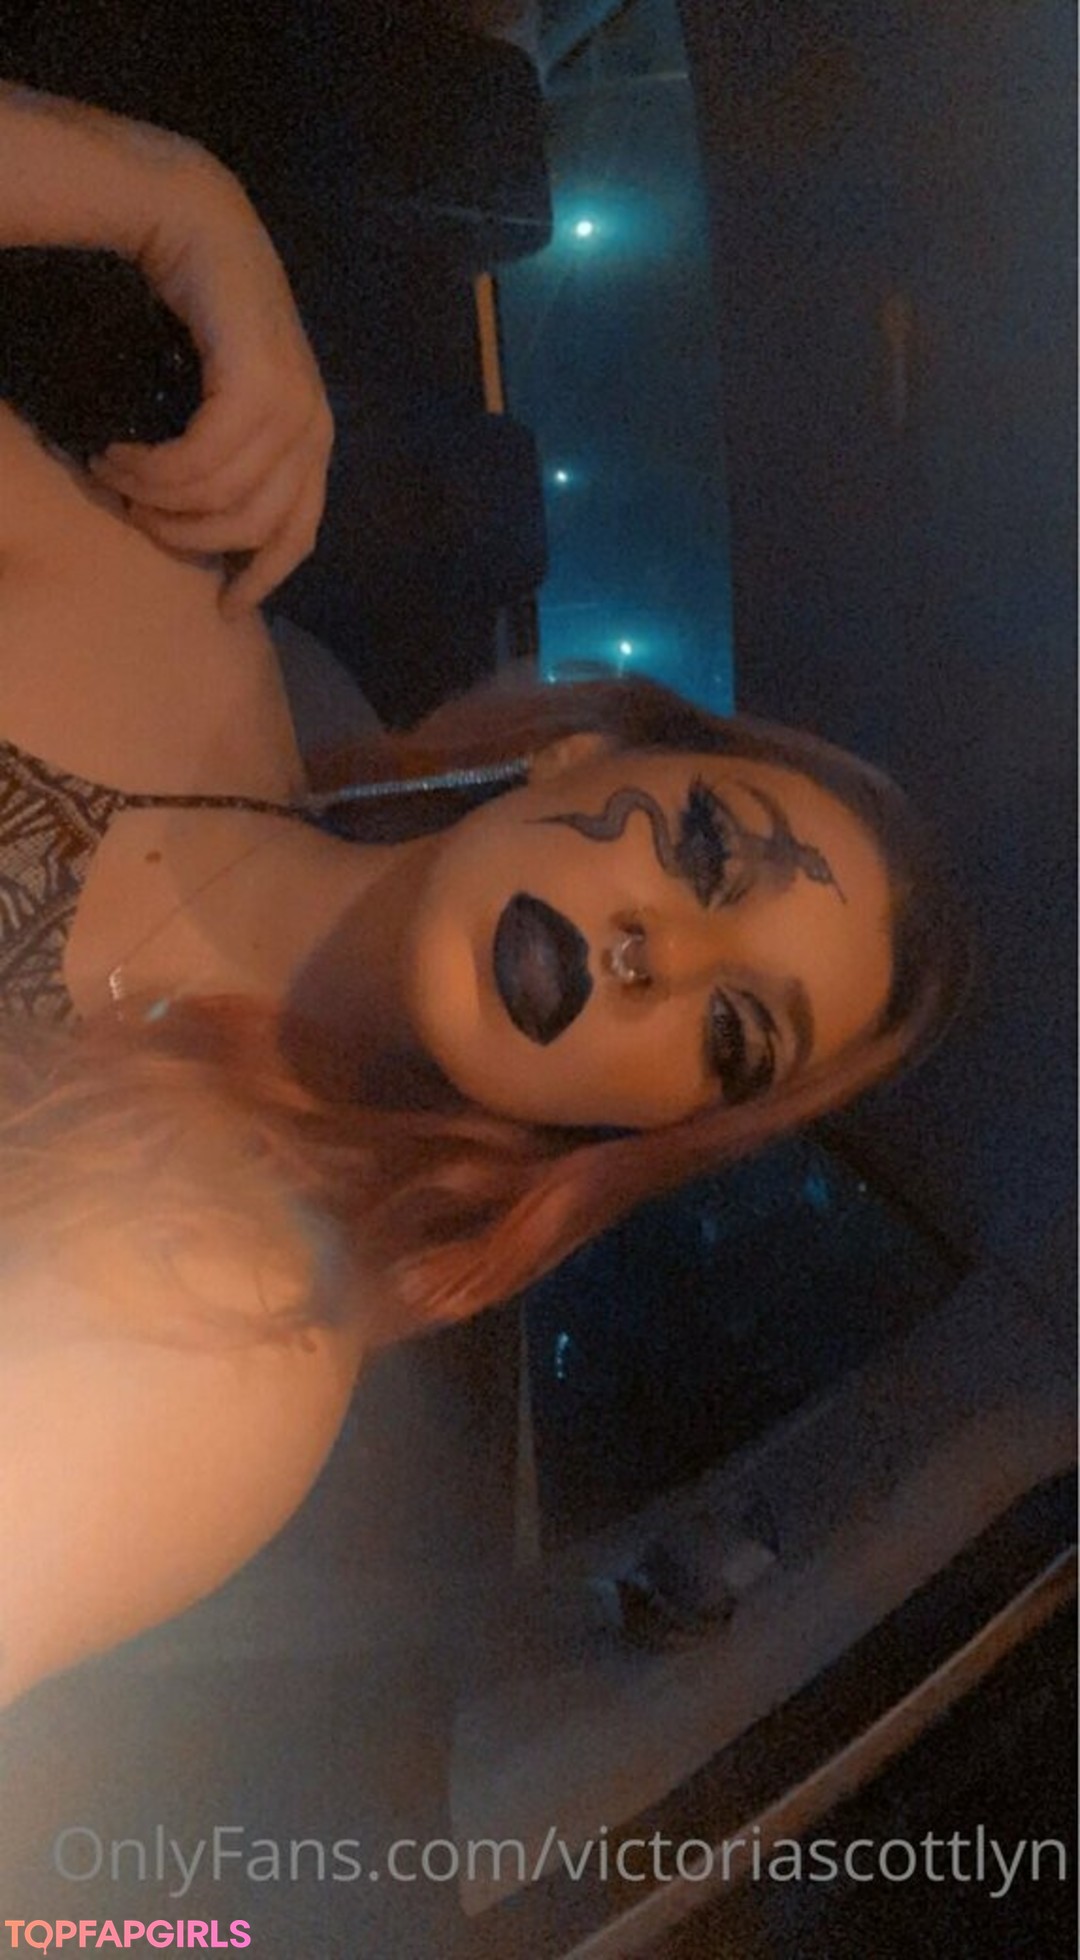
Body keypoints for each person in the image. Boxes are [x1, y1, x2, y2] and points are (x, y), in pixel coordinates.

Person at [0, 81, 969, 1709]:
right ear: (578, 757)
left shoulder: (230, 1345)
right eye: (706, 849)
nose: (663, 953)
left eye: (736, 1034)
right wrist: (175, 203)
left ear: (648, 1125)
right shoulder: (161, 641)